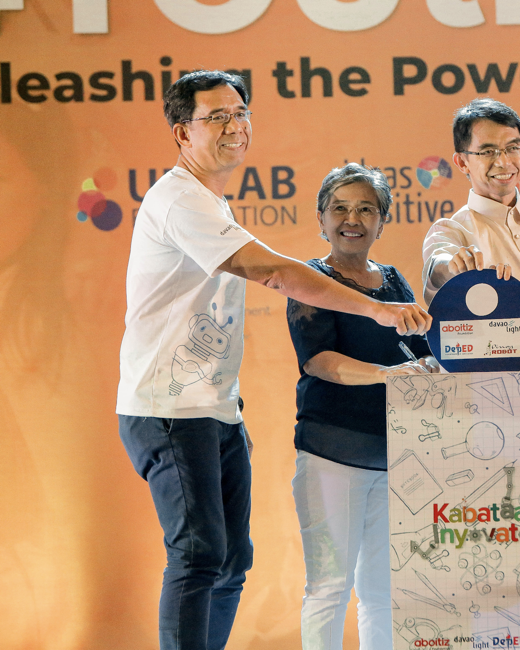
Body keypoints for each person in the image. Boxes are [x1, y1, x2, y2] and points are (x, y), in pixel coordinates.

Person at [116, 70, 430, 650]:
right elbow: (276, 274)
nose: (236, 126)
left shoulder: (213, 201)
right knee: (200, 552)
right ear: (182, 133)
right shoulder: (179, 199)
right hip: (169, 409)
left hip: (214, 411)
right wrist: (379, 313)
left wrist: (231, 410)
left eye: (241, 113)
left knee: (232, 560)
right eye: (218, 117)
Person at [286, 164, 440, 650]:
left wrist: (435, 366)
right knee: (329, 588)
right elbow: (319, 362)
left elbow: (416, 350)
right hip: (332, 455)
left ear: (382, 221)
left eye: (365, 209)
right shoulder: (308, 280)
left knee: (383, 593)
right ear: (321, 218)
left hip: (397, 459)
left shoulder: (394, 282)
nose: (352, 219)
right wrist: (387, 377)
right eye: (340, 208)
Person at [421, 98, 520, 304]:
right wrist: (454, 266)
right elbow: (437, 267)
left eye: (513, 148)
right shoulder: (451, 231)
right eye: (488, 152)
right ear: (462, 162)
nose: (503, 162)